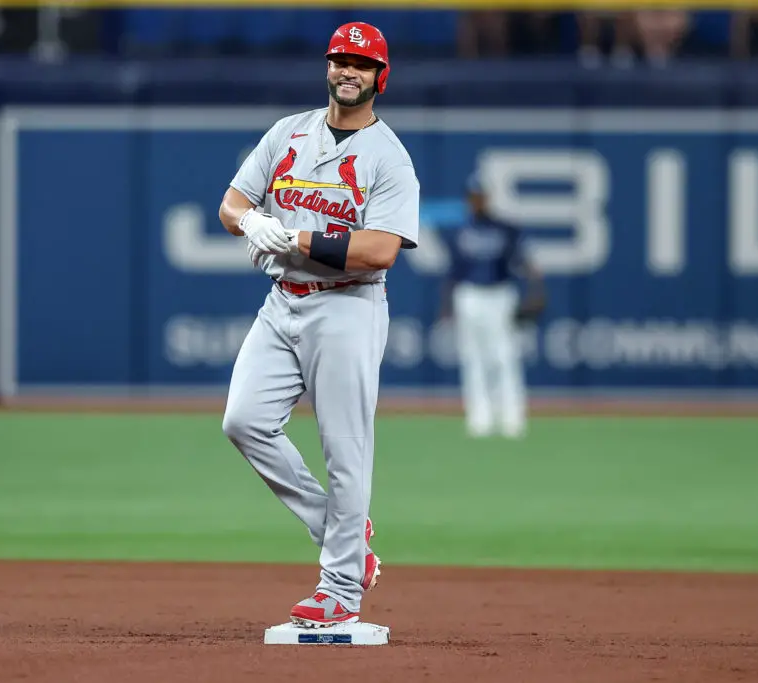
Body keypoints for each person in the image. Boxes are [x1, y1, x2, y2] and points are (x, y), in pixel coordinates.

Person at [217, 22, 420, 628]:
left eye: (361, 63)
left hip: (348, 307)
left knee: (344, 450)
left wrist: (296, 236)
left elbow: (381, 249)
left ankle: (340, 587)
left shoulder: (388, 156)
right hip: (283, 302)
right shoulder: (289, 132)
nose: (347, 71)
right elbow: (232, 203)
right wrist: (253, 226)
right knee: (244, 421)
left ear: (380, 77)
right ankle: (343, 530)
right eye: (339, 60)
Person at [439, 172, 545, 439]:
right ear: (468, 199)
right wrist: (447, 306)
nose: (477, 201)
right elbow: (453, 273)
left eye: (481, 196)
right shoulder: (460, 231)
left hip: (500, 294)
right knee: (473, 358)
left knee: (504, 356)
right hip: (470, 294)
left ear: (487, 198)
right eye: (473, 197)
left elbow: (527, 262)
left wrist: (536, 291)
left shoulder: (505, 229)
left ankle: (512, 418)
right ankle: (480, 418)